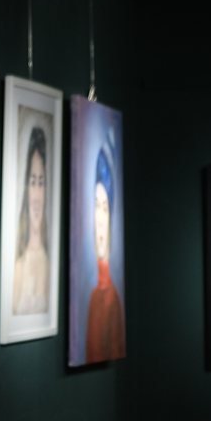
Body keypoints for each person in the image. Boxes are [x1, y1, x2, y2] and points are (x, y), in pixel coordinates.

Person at [84, 146, 127, 362]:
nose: (100, 220)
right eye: (96, 205)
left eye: (104, 207)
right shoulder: (93, 298)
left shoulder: (113, 300)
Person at [11, 124, 50, 315]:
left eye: (41, 183)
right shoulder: (18, 262)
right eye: (32, 182)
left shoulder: (49, 261)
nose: (36, 196)